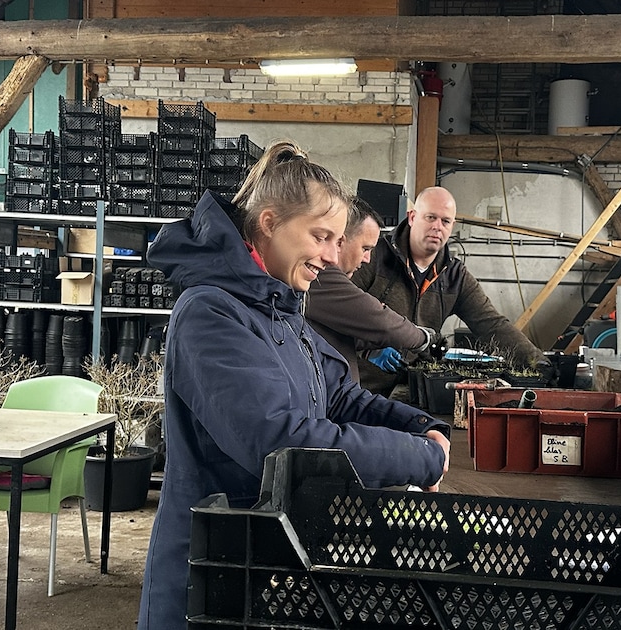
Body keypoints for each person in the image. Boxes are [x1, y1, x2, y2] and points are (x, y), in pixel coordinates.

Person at [137, 141, 451, 630]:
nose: (332, 255)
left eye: (337, 239)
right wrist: (420, 455)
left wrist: (424, 425)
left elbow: (338, 395)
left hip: (267, 557)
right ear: (268, 224)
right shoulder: (210, 314)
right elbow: (281, 442)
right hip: (210, 572)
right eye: (321, 236)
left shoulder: (280, 308)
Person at [351, 185, 544, 395]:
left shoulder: (454, 276)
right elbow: (339, 310)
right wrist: (369, 349)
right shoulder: (373, 256)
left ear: (453, 225)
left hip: (410, 389)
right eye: (430, 217)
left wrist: (537, 361)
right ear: (412, 217)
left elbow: (492, 324)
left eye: (445, 221)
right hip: (358, 387)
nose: (437, 227)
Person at [306, 197, 438, 381]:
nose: (367, 258)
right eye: (365, 248)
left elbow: (341, 331)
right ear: (340, 241)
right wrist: (423, 338)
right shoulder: (320, 277)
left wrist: (371, 349)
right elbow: (376, 318)